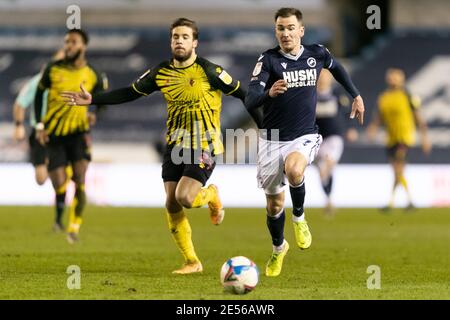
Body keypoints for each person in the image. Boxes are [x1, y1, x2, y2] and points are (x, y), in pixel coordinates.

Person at [61, 18, 261, 274]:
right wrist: (93, 99)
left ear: (195, 42)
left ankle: (211, 194)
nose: (179, 41)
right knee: (171, 203)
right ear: (171, 41)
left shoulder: (210, 71)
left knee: (185, 197)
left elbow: (245, 95)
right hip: (175, 144)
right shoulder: (161, 72)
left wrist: (264, 129)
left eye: (185, 37)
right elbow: (130, 92)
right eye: (175, 36)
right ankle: (192, 261)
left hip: (204, 144)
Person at [245, 7, 365, 277]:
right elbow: (250, 99)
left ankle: (299, 217)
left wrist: (355, 95)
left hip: (304, 135)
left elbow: (339, 69)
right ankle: (278, 248)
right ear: (275, 31)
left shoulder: (317, 54)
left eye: (290, 28)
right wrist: (268, 93)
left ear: (301, 30)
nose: (285, 33)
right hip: (272, 139)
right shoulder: (268, 61)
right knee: (274, 206)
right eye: (280, 28)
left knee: (295, 169)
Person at [34, 29, 107, 243]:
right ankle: (59, 217)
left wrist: (95, 113)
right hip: (54, 135)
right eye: (67, 42)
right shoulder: (52, 69)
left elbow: (103, 98)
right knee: (59, 182)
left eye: (73, 42)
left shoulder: (93, 73)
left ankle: (73, 229)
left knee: (80, 178)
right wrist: (40, 124)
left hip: (79, 134)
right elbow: (39, 95)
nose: (68, 46)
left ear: (83, 46)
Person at [367, 68, 431, 210]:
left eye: (395, 77)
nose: (392, 79)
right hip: (390, 138)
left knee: (398, 167)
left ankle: (396, 202)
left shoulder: (407, 95)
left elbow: (418, 117)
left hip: (405, 137)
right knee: (397, 170)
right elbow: (378, 117)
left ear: (401, 79)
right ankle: (404, 201)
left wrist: (425, 138)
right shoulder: (384, 97)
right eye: (391, 76)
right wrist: (372, 128)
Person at [314, 69, 359, 215]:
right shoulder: (310, 95)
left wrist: (351, 128)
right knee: (323, 172)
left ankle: (328, 168)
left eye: (325, 76)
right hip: (316, 138)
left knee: (329, 162)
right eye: (320, 76)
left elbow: (348, 112)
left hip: (334, 136)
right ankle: (328, 200)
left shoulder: (337, 95)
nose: (322, 79)